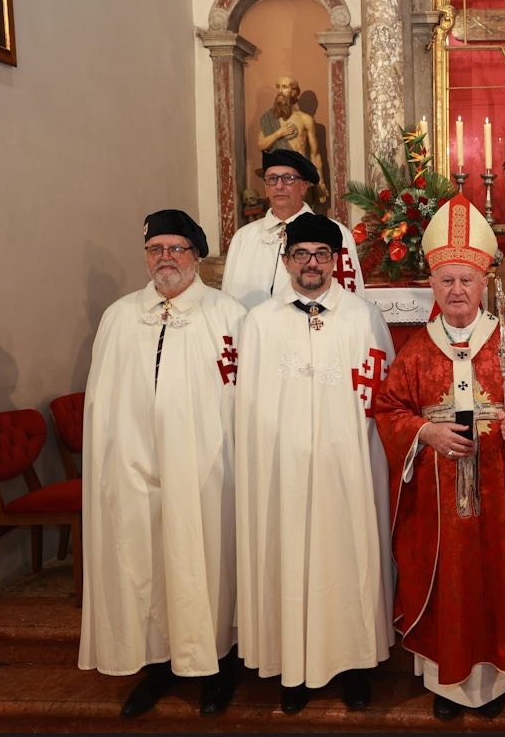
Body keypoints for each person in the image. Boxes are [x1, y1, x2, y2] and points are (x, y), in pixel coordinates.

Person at [375, 193, 505, 722]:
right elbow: (388, 409)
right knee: (447, 579)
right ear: (433, 285)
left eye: (466, 280)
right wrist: (426, 431)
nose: (457, 290)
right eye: (446, 280)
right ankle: (445, 684)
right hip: (438, 500)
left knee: (495, 579)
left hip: (499, 493)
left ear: (484, 282)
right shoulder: (417, 350)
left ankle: (496, 683)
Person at [78, 209, 244, 718]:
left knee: (204, 560)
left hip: (205, 468)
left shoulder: (229, 315)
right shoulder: (120, 315)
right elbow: (101, 402)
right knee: (145, 562)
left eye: (176, 248)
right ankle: (158, 662)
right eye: (156, 249)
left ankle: (217, 664)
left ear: (196, 256)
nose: (165, 258)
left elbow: (243, 399)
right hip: (133, 467)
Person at [233, 213, 395, 715]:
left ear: (335, 261)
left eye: (321, 255)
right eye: (301, 254)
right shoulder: (260, 322)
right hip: (281, 472)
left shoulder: (363, 318)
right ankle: (293, 667)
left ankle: (355, 664)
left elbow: (383, 396)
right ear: (286, 261)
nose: (311, 263)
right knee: (288, 561)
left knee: (349, 561)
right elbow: (246, 404)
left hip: (348, 468)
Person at [221, 148, 363, 310]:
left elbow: (353, 301)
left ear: (304, 186)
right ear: (265, 187)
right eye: (272, 179)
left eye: (288, 178)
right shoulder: (243, 237)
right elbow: (227, 304)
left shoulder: (334, 232)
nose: (279, 186)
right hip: (252, 326)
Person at [258, 75, 329, 204]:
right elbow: (261, 145)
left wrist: (320, 182)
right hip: (276, 178)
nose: (280, 90)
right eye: (278, 87)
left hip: (299, 175)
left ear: (294, 92)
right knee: (279, 214)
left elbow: (315, 155)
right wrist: (279, 133)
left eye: (284, 87)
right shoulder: (269, 119)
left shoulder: (305, 119)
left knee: (302, 214)